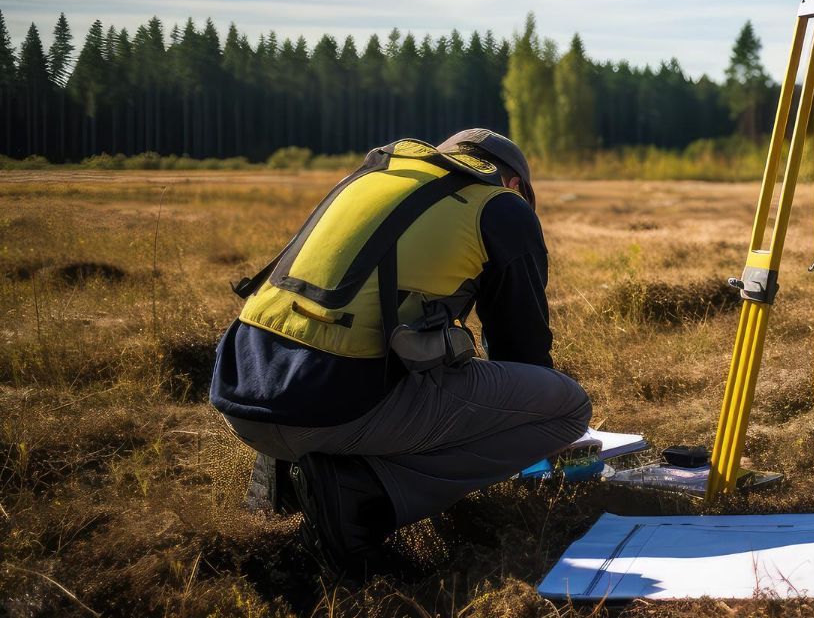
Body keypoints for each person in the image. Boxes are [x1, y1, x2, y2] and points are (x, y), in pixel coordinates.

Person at [209, 128, 591, 574]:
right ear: (514, 185)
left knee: (340, 339)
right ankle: (362, 496)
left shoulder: (373, 178)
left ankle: (284, 487)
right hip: (333, 411)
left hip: (243, 391)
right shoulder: (499, 205)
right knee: (565, 408)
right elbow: (523, 352)